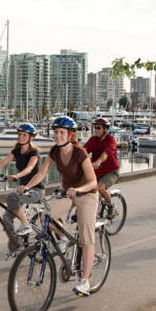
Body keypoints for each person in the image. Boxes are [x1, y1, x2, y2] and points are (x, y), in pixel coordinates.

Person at [19, 116, 99, 296]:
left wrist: (79, 189)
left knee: (86, 238)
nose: (58, 135)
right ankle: (64, 238)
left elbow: (93, 181)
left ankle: (85, 281)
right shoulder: (55, 151)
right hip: (68, 192)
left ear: (70, 135)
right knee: (44, 216)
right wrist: (27, 186)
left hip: (87, 194)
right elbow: (42, 172)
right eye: (56, 132)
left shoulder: (79, 153)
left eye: (62, 132)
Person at [0, 123, 44, 244]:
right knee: (6, 218)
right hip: (22, 191)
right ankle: (15, 243)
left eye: (24, 135)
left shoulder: (34, 153)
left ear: (31, 138)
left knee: (11, 197)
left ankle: (26, 224)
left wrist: (15, 176)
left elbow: (29, 169)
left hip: (35, 190)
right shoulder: (16, 151)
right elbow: (2, 163)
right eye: (20, 134)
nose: (21, 137)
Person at [83, 117, 120, 219]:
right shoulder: (93, 140)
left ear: (105, 129)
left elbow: (106, 153)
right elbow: (85, 149)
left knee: (100, 187)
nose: (96, 130)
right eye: (95, 127)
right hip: (96, 171)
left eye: (98, 128)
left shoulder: (110, 139)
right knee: (83, 189)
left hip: (111, 171)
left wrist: (98, 161)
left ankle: (111, 207)